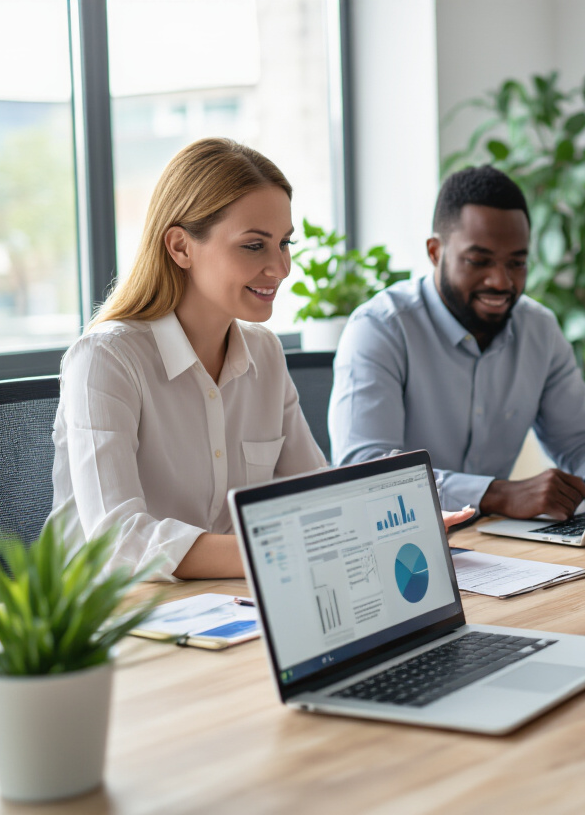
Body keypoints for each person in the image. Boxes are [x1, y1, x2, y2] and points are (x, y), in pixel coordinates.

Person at [49, 138, 470, 581]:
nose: (280, 267)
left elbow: (316, 495)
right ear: (180, 247)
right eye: (254, 246)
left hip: (225, 607)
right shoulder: (106, 359)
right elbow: (118, 540)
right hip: (107, 623)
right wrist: (285, 550)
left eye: (284, 243)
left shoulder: (264, 353)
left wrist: (386, 526)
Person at [329, 166, 585, 521]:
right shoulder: (380, 328)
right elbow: (363, 473)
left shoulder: (539, 329)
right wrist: (495, 494)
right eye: (479, 261)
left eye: (517, 263)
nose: (501, 281)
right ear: (435, 252)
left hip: (501, 546)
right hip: (404, 546)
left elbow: (583, 440)